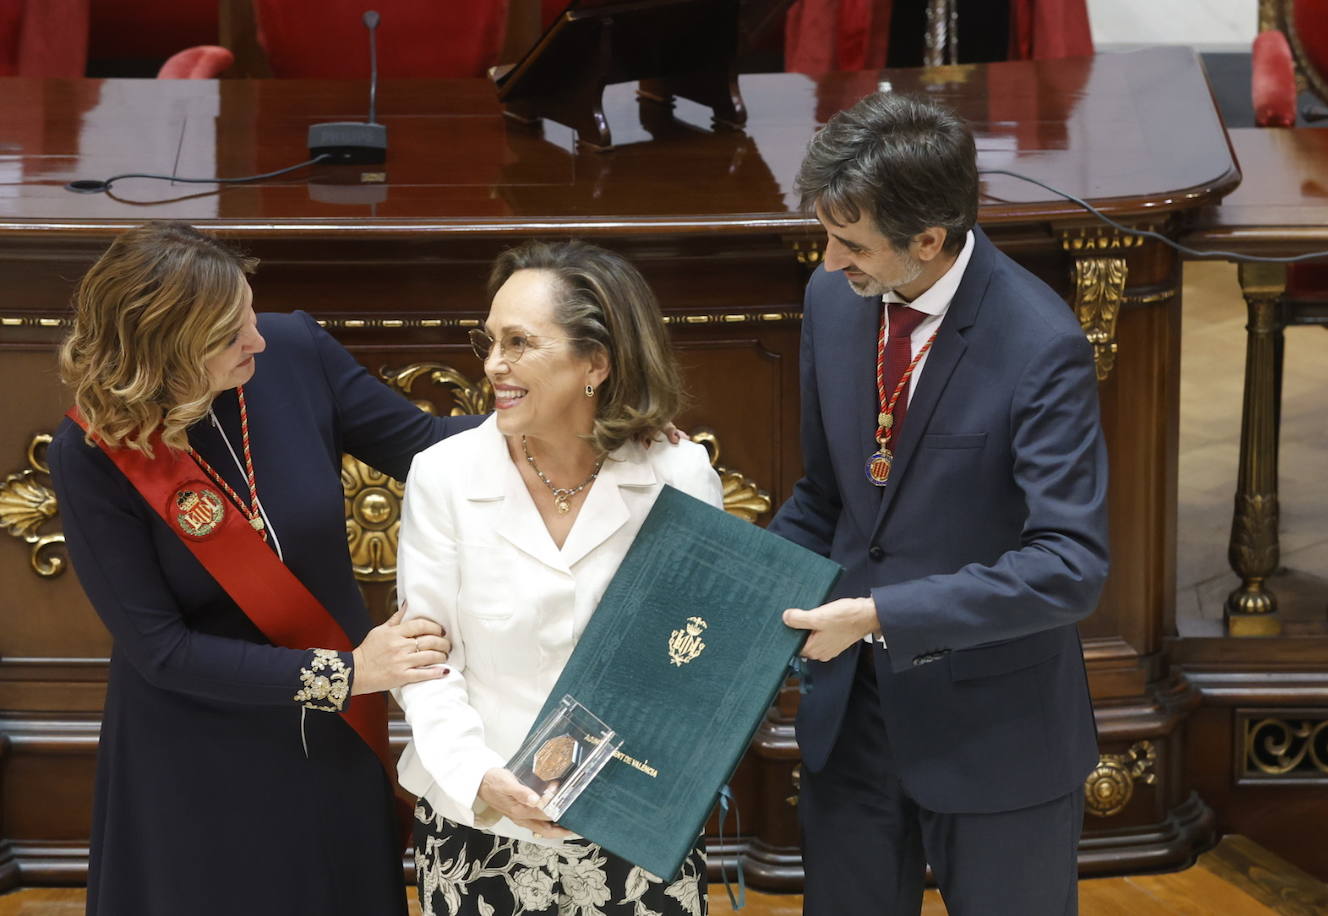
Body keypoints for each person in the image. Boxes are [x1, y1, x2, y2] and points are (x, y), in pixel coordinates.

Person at [49, 221, 479, 916]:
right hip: (199, 752)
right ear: (164, 353)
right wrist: (348, 673)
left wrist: (579, 421)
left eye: (248, 312)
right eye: (229, 336)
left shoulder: (294, 350)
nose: (257, 339)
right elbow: (162, 650)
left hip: (327, 738)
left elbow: (428, 446)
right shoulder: (91, 454)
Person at [770, 92, 1109, 914]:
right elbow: (827, 495)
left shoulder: (1040, 343)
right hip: (854, 727)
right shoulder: (831, 303)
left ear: (928, 239)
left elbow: (1070, 566)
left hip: (997, 734)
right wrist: (739, 585)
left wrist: (880, 613)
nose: (826, 261)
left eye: (850, 243)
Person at [395, 240, 722, 916]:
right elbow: (423, 663)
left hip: (636, 826)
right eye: (489, 342)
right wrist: (484, 780)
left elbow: (695, 665)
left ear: (595, 363)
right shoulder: (444, 476)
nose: (493, 366)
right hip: (480, 825)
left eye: (519, 343)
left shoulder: (678, 475)